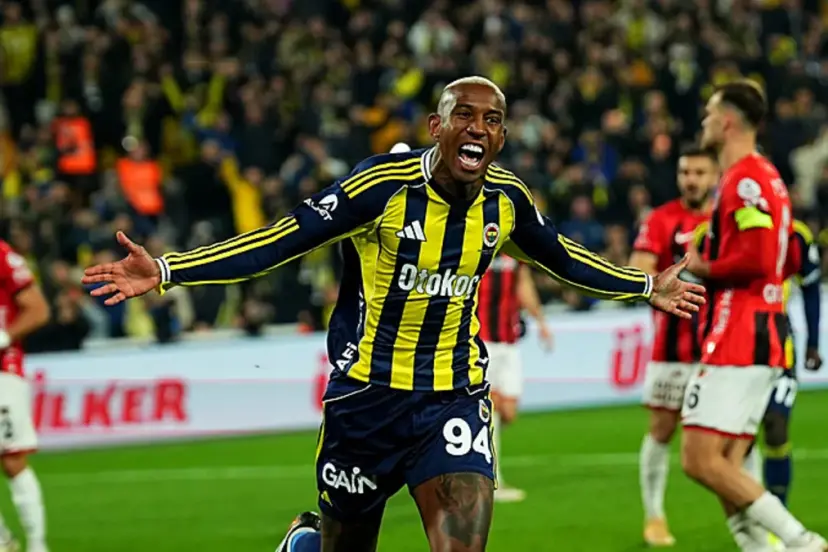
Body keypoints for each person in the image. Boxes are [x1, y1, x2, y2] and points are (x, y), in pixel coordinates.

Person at [82, 77, 705, 552]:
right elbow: (279, 240)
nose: (478, 129)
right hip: (367, 401)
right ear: (437, 126)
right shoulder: (379, 188)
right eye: (464, 115)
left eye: (492, 120)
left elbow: (562, 257)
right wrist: (166, 269)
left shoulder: (507, 200)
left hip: (453, 396)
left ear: (502, 138)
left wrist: (643, 284)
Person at [684, 80, 827, 552]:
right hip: (759, 328)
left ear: (727, 122)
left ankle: (801, 541)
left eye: (710, 113)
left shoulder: (746, 180)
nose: (704, 121)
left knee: (699, 459)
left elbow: (760, 257)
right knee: (728, 462)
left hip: (741, 329)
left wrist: (703, 267)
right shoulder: (760, 177)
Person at [697, 216, 822, 551]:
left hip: (778, 349)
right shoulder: (709, 235)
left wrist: (813, 342)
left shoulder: (795, 235)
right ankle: (760, 530)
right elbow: (699, 295)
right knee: (732, 447)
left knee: (776, 427)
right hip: (728, 351)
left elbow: (811, 286)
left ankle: (782, 521)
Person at [629, 146, 717, 547]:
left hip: (723, 349)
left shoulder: (728, 218)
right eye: (685, 172)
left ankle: (752, 516)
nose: (691, 180)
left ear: (714, 177)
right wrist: (665, 281)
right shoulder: (661, 219)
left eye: (699, 172)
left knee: (737, 436)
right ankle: (654, 516)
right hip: (672, 349)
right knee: (662, 430)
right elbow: (637, 269)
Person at [476, 254, 553, 503]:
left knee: (508, 412)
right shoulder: (477, 247)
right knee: (491, 409)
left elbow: (523, 283)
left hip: (509, 341)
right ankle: (492, 481)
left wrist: (540, 320)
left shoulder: (512, 249)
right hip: (481, 340)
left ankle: (474, 447)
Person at [0, 239, 52, 552]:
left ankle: (37, 545)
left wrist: (4, 336)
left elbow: (38, 308)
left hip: (2, 371)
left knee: (12, 459)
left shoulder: (2, 255)